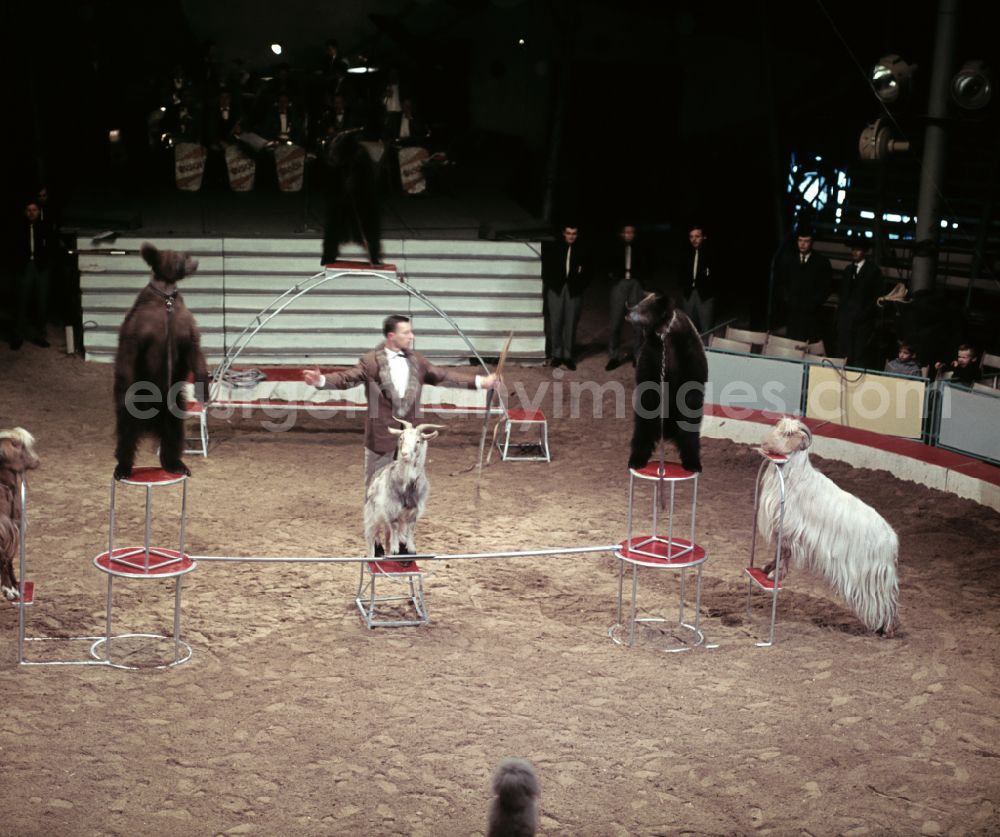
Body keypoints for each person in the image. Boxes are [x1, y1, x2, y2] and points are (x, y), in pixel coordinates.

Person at [302, 315, 496, 493]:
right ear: (391, 336)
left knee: (408, 488)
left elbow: (444, 376)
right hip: (381, 436)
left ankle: (401, 527)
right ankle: (375, 528)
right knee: (376, 487)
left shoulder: (417, 361)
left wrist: (481, 382)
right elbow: (346, 378)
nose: (411, 336)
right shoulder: (370, 362)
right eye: (406, 333)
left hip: (410, 441)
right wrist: (321, 381)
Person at [542, 224, 589, 370]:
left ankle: (568, 356)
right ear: (564, 234)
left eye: (574, 233)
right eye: (568, 233)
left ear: (577, 235)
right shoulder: (554, 248)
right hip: (556, 289)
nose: (571, 236)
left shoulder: (582, 249)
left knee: (571, 323)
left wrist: (579, 286)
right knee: (556, 322)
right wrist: (552, 284)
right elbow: (546, 268)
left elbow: (589, 271)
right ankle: (556, 354)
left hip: (574, 290)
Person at [778, 229, 833, 342]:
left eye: (806, 241)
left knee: (806, 344)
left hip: (811, 312)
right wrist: (788, 299)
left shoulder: (821, 262)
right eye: (800, 241)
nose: (802, 244)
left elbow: (826, 286)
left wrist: (814, 303)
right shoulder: (789, 259)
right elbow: (782, 282)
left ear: (812, 243)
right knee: (791, 342)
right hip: (792, 310)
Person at [836, 241, 884, 367]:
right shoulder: (848, 270)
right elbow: (843, 294)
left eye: (858, 250)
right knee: (844, 352)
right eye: (853, 249)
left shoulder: (873, 271)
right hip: (846, 320)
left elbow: (876, 296)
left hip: (863, 321)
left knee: (859, 355)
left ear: (865, 252)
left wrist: (865, 313)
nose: (855, 253)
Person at [11, 200, 51, 350]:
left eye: (34, 210)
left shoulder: (45, 227)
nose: (31, 212)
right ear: (25, 212)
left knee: (42, 302)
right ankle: (17, 336)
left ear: (39, 211)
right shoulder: (18, 228)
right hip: (25, 266)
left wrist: (47, 263)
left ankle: (40, 336)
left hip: (41, 267)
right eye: (28, 210)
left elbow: (51, 246)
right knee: (21, 302)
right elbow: (12, 248)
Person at [606, 223, 645, 371]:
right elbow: (606, 263)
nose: (628, 235)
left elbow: (650, 263)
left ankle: (637, 355)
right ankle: (613, 356)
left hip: (635, 283)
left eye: (631, 232)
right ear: (622, 234)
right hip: (619, 284)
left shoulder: (640, 248)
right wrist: (611, 275)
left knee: (637, 321)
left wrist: (642, 278)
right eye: (626, 232)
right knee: (616, 321)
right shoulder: (614, 247)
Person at [679, 225, 717, 337]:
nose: (694, 239)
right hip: (689, 295)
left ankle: (706, 352)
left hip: (705, 296)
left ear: (704, 237)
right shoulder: (686, 254)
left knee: (707, 330)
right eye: (691, 237)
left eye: (697, 236)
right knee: (688, 329)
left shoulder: (712, 254)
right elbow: (681, 274)